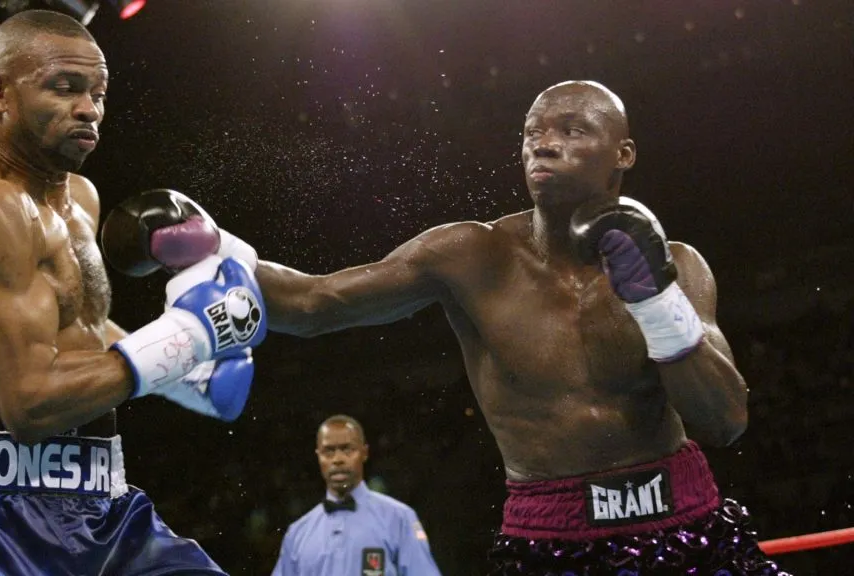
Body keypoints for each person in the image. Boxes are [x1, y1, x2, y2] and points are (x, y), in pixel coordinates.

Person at [162, 80, 789, 574]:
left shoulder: (678, 264)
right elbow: (315, 304)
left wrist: (656, 301)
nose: (543, 144)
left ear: (622, 153)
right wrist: (206, 242)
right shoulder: (471, 255)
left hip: (686, 522)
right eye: (533, 133)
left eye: (572, 130)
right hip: (552, 539)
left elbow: (724, 421)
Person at [0, 10, 267, 576]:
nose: (89, 108)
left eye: (98, 92)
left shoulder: (81, 198)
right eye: (66, 88)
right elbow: (30, 406)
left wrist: (191, 377)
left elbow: (77, 331)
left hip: (98, 506)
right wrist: (190, 337)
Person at [271, 415, 443, 576]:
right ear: (318, 456)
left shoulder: (399, 518)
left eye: (347, 449)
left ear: (364, 452)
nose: (337, 459)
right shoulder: (297, 534)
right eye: (328, 451)